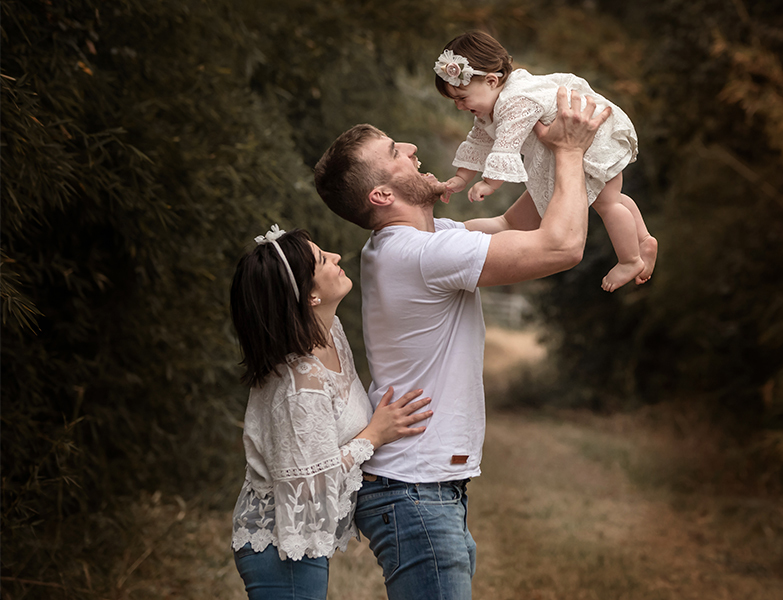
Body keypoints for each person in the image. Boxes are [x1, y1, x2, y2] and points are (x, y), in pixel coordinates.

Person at [313, 87, 607, 600]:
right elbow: (560, 245)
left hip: (419, 490)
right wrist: (569, 153)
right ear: (381, 195)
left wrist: (544, 150)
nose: (409, 147)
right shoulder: (422, 255)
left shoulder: (415, 245)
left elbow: (522, 222)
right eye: (393, 152)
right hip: (415, 492)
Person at [229, 225, 433, 600]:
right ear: (309, 296)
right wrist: (374, 435)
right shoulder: (299, 385)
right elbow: (307, 488)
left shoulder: (332, 333)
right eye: (323, 259)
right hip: (281, 545)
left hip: (299, 543)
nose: (337, 257)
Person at [434, 30, 658, 292]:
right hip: (575, 149)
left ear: (492, 81)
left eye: (462, 98)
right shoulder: (488, 109)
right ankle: (643, 240)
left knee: (607, 204)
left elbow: (507, 144)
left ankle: (629, 259)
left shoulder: (515, 101)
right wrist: (462, 178)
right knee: (614, 198)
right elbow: (478, 142)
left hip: (589, 147)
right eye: (455, 100)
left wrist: (489, 183)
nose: (459, 106)